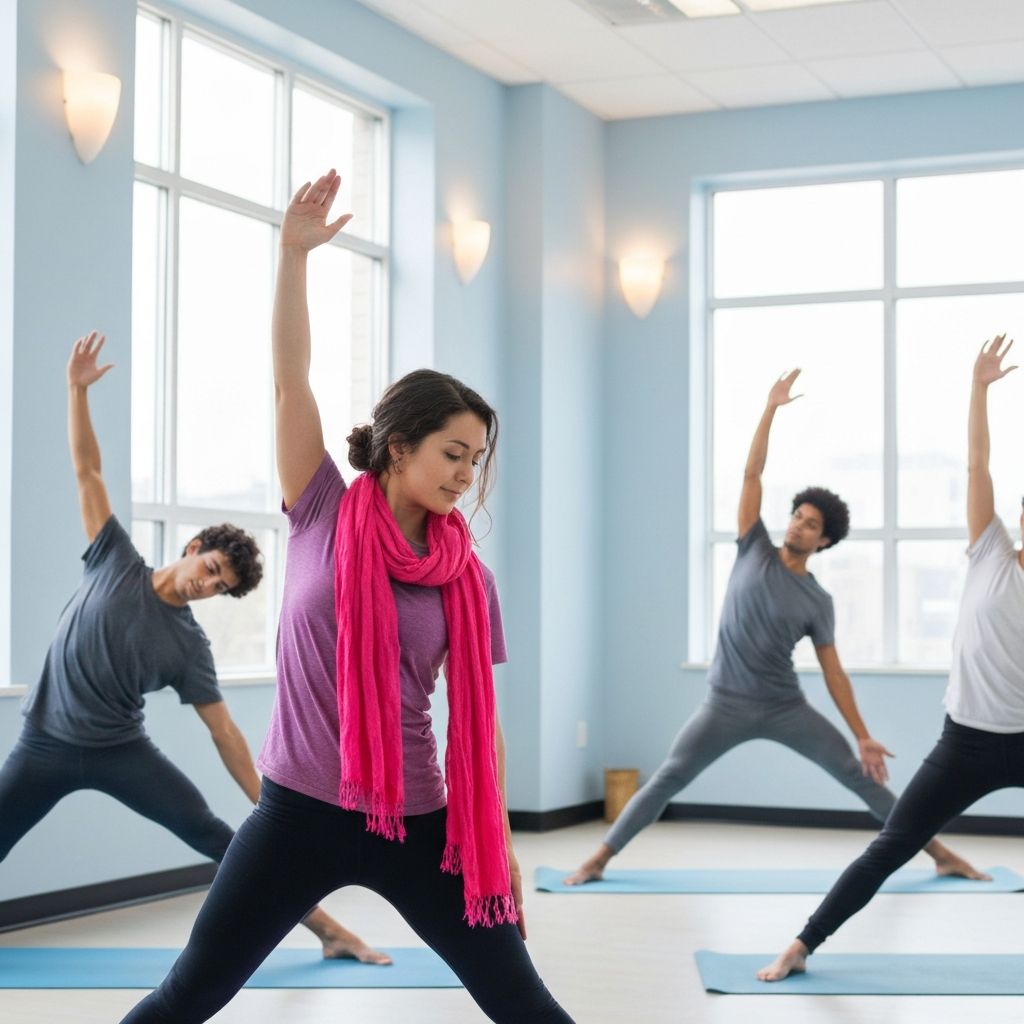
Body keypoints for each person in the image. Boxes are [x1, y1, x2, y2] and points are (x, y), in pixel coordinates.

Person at [118, 170, 575, 1023]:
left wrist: (497, 840)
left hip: (422, 818)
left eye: (476, 459)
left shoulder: (468, 577)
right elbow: (292, 380)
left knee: (523, 1002)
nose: (466, 474)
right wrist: (292, 256)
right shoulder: (323, 506)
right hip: (296, 813)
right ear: (398, 448)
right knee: (190, 993)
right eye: (453, 452)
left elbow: (483, 722)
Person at [0, 331, 387, 965]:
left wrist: (273, 806)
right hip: (42, 743)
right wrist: (76, 391)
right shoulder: (112, 560)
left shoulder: (189, 645)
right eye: (209, 568)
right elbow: (86, 469)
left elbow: (226, 734)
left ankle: (330, 932)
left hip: (119, 750)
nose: (206, 585)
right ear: (191, 549)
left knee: (214, 833)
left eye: (219, 587)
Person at [566, 369, 984, 887]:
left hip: (785, 707)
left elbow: (834, 675)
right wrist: (770, 410)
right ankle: (598, 859)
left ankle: (939, 852)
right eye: (797, 516)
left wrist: (863, 736)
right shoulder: (753, 549)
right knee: (671, 775)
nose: (797, 525)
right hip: (724, 703)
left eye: (810, 523)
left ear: (825, 541)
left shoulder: (818, 599)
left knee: (861, 777)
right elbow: (751, 477)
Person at [758, 334, 1021, 982]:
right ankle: (801, 945)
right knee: (892, 847)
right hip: (965, 743)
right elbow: (977, 465)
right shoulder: (991, 551)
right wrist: (979, 389)